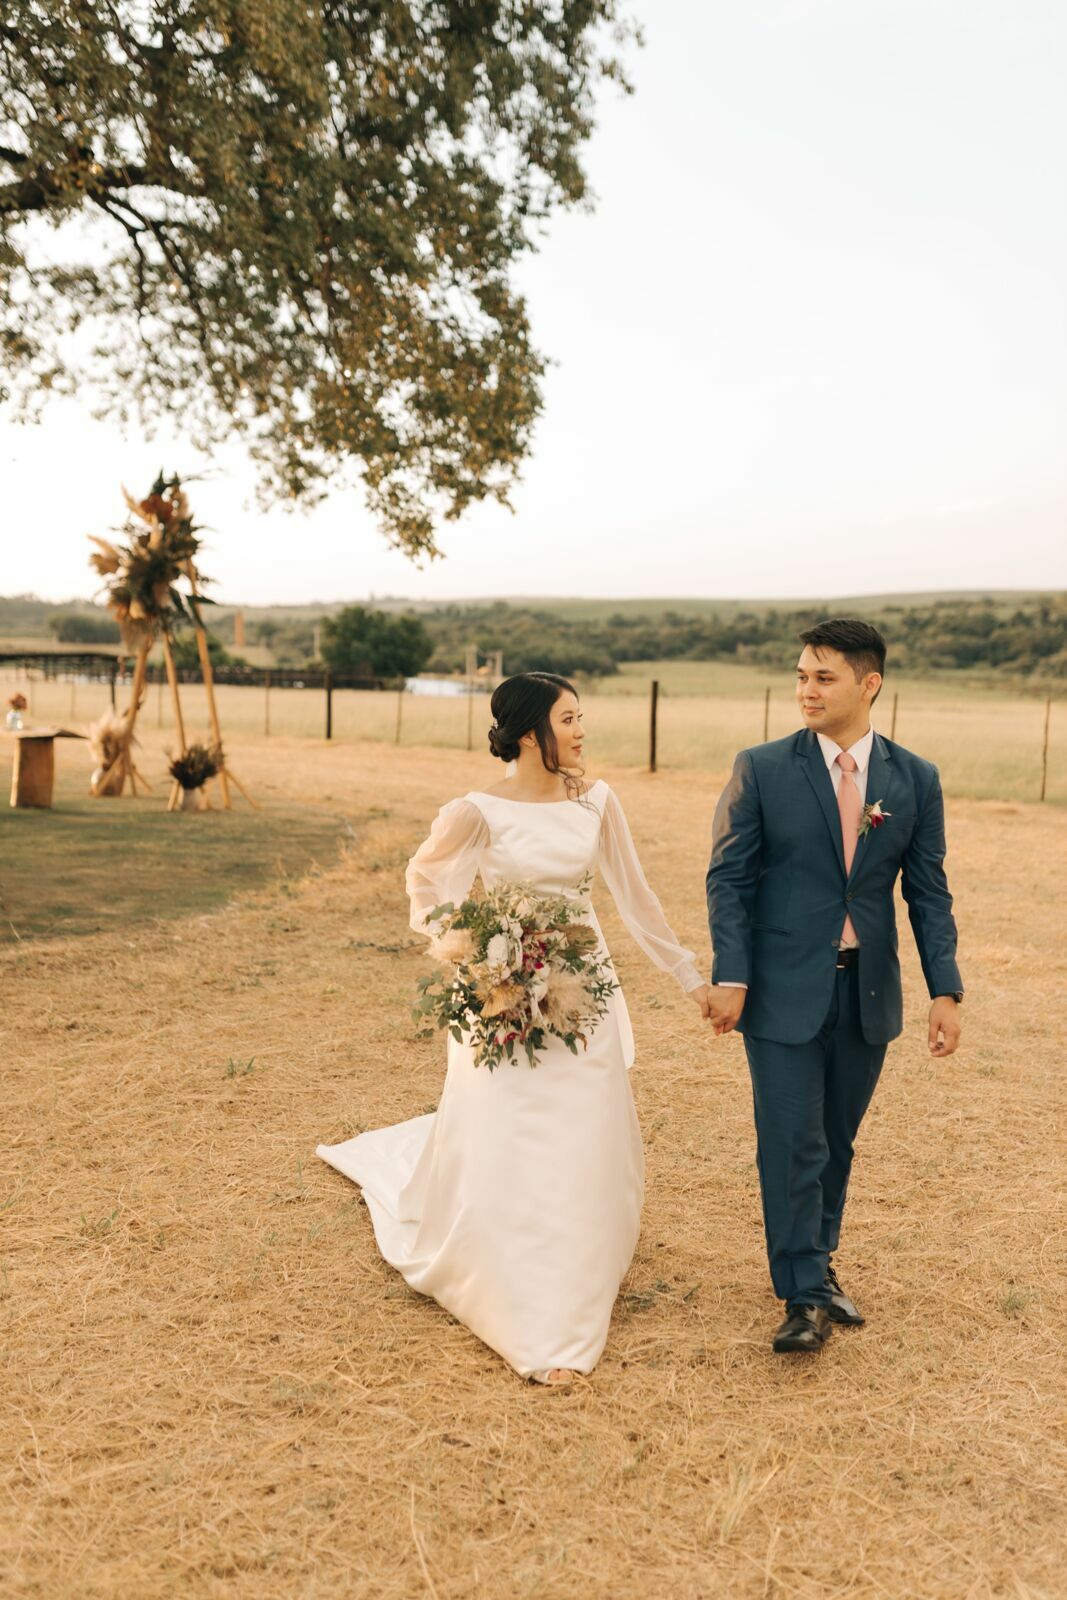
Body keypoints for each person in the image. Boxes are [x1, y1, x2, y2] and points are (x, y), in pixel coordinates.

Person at [318, 671, 711, 1384]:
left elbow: (635, 898)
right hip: (502, 993)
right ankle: (520, 1287)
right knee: (508, 1128)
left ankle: (581, 1252)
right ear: (531, 733)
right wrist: (475, 949)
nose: (581, 731)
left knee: (583, 1124)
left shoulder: (595, 802)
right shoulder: (476, 810)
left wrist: (690, 978)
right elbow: (426, 883)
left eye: (581, 717)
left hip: (582, 990)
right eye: (569, 718)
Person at [706, 619, 963, 1354]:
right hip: (779, 990)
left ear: (868, 684)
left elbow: (928, 892)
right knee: (792, 1142)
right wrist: (731, 975)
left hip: (866, 991)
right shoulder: (760, 767)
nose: (805, 690)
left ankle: (814, 1264)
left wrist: (945, 989)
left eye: (822, 677)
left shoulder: (913, 778)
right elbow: (727, 879)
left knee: (836, 1143)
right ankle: (802, 1294)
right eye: (799, 676)